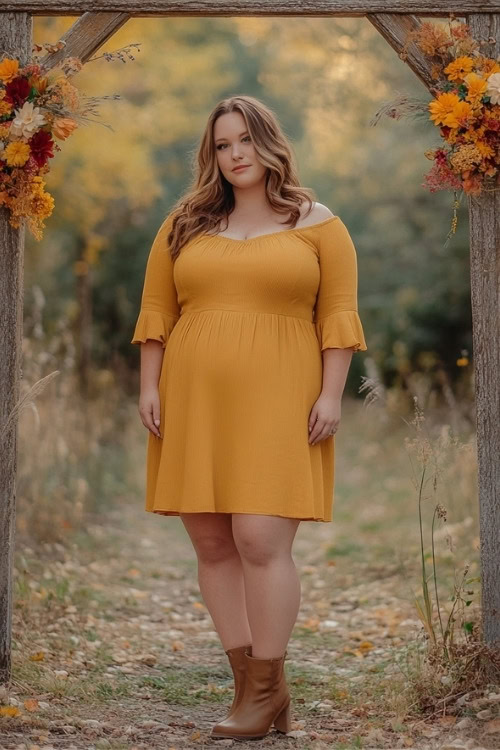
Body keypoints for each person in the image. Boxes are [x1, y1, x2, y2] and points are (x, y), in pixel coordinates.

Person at [131, 94, 367, 740]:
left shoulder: (319, 225)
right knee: (211, 542)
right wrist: (149, 388)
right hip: (193, 398)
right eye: (222, 145)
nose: (234, 155)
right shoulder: (184, 223)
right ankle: (255, 694)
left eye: (244, 141)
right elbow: (157, 313)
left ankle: (265, 684)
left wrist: (330, 394)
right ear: (212, 155)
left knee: (261, 539)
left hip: (283, 396)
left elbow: (339, 320)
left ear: (268, 144)